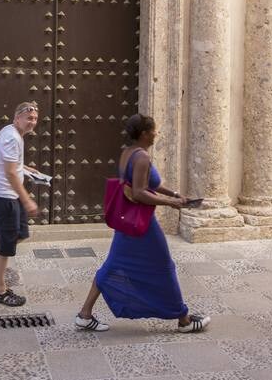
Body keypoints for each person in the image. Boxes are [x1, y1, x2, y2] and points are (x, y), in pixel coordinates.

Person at [75, 113, 211, 334]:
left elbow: (146, 184)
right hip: (142, 226)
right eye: (154, 130)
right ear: (145, 134)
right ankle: (184, 319)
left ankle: (84, 314)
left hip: (128, 224)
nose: (157, 134)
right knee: (164, 267)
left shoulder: (129, 153)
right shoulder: (142, 158)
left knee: (112, 266)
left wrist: (176, 195)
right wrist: (171, 203)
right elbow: (139, 193)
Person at [0, 101, 40, 307]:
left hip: (10, 197)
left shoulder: (11, 132)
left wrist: (27, 169)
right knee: (6, 246)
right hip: (4, 197)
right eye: (29, 118)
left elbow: (13, 166)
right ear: (17, 118)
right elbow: (10, 173)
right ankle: (0, 291)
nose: (32, 122)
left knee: (20, 234)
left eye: (35, 119)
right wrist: (27, 199)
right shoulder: (12, 138)